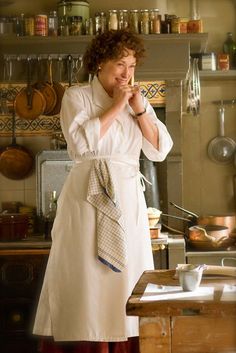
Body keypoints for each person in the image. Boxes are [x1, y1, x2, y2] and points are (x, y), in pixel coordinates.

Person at [33, 29, 173, 353]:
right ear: (99, 63)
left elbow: (159, 150)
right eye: (120, 65)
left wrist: (138, 110)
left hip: (126, 199)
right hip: (87, 198)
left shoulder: (139, 102)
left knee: (128, 277)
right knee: (87, 275)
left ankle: (126, 338)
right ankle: (86, 339)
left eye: (132, 66)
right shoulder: (76, 96)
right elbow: (81, 145)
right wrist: (116, 104)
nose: (127, 74)